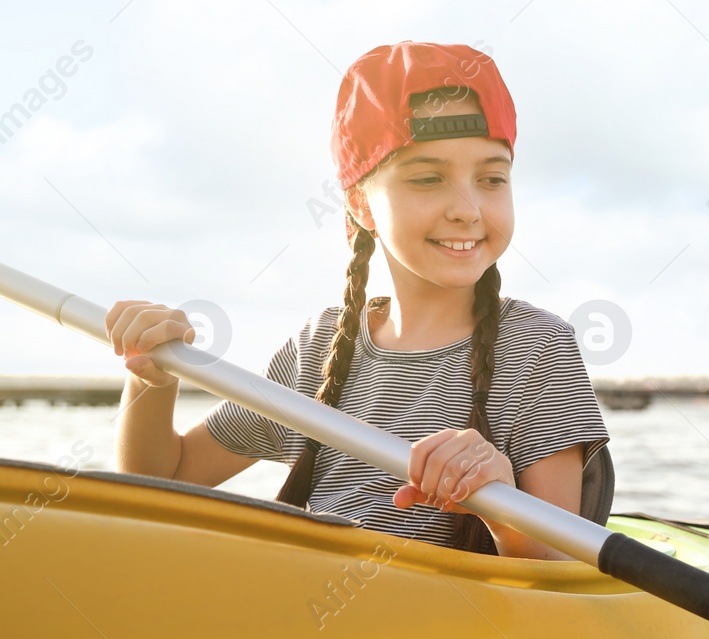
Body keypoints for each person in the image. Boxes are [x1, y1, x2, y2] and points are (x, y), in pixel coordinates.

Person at [104, 41, 607, 559]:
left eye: (492, 178)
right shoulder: (317, 347)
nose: (468, 209)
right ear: (361, 203)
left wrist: (502, 508)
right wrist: (150, 378)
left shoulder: (537, 348)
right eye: (428, 178)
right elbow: (159, 482)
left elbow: (562, 572)